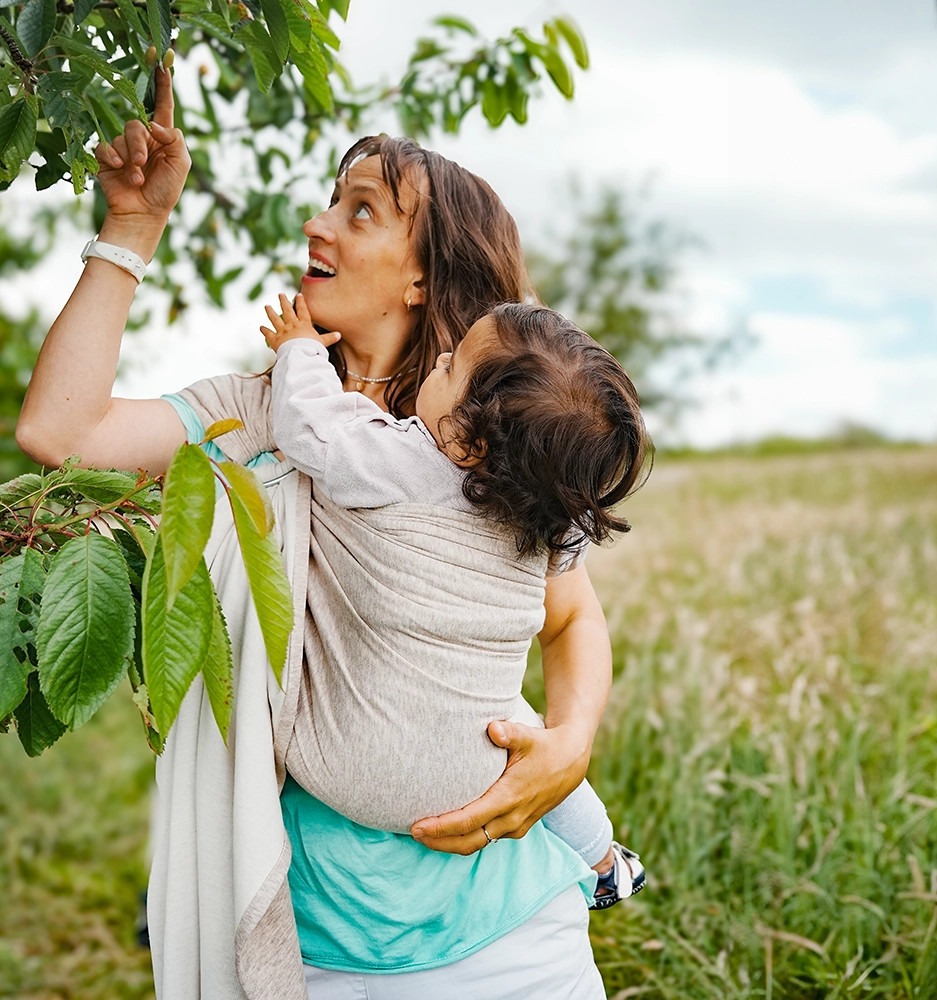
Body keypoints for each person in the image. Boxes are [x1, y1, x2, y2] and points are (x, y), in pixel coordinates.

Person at [15, 66, 635, 999]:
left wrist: (572, 741)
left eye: (361, 212)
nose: (317, 225)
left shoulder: (495, 458)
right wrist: (133, 228)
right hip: (320, 946)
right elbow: (58, 433)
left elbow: (572, 618)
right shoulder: (262, 413)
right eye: (327, 203)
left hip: (517, 936)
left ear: (423, 272)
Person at [261, 291, 648, 906]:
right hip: (486, 767)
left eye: (450, 366)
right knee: (530, 732)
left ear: (468, 444)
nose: (439, 355)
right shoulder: (554, 517)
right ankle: (605, 861)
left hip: (336, 767)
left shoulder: (402, 461)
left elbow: (312, 424)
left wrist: (299, 349)